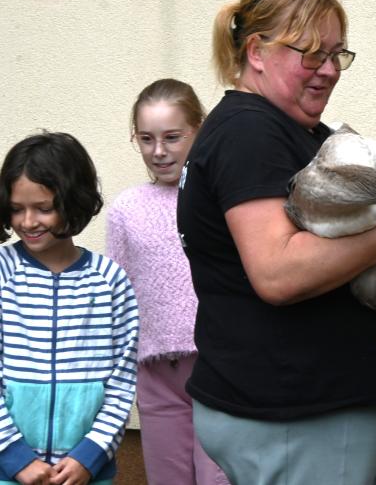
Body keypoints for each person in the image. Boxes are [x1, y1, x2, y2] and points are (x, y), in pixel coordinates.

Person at [175, 0, 376, 485]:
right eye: (312, 54)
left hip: (312, 417)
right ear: (256, 52)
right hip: (295, 414)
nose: (330, 70)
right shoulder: (250, 132)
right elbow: (278, 272)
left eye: (338, 54)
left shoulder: (288, 129)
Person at [105, 79, 228, 485]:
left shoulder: (221, 198)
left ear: (200, 129)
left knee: (220, 478)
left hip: (219, 368)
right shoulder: (126, 210)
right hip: (156, 374)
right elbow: (118, 298)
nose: (159, 151)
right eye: (146, 138)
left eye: (173, 137)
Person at [0, 131, 138, 485]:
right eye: (16, 209)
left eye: (43, 208)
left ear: (74, 201)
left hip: (87, 472)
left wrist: (91, 455)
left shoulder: (111, 281)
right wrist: (12, 456)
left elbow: (122, 382)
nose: (28, 222)